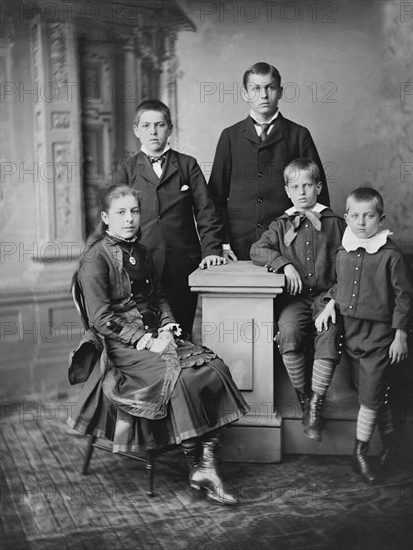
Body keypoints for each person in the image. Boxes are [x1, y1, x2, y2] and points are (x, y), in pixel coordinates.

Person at [67, 184, 249, 505]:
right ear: (107, 218)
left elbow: (159, 296)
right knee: (180, 378)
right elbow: (100, 318)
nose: (129, 219)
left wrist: (166, 324)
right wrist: (144, 339)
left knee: (215, 368)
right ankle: (199, 466)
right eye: (121, 213)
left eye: (134, 211)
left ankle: (204, 465)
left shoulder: (141, 250)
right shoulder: (95, 258)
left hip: (157, 336)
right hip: (123, 348)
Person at [315, 187, 413, 484]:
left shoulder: (390, 255)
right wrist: (330, 303)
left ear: (380, 219)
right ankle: (393, 446)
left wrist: (401, 335)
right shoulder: (343, 251)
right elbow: (341, 286)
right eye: (355, 216)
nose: (361, 223)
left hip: (380, 336)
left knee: (370, 399)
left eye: (368, 216)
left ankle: (359, 453)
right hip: (353, 335)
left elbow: (404, 298)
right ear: (346, 218)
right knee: (372, 394)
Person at [113, 99, 225, 336]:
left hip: (182, 263)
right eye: (146, 126)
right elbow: (113, 220)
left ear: (170, 128)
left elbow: (206, 211)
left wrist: (212, 251)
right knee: (147, 334)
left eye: (160, 125)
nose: (153, 132)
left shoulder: (187, 165)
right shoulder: (127, 170)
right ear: (136, 130)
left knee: (182, 331)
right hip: (140, 265)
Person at [250, 159, 345, 435]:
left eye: (307, 185)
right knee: (288, 330)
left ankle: (316, 402)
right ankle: (304, 398)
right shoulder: (280, 225)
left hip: (327, 299)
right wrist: (284, 263)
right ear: (287, 191)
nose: (302, 192)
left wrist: (334, 300)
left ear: (318, 187)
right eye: (295, 187)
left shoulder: (335, 223)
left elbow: (351, 267)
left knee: (330, 330)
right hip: (296, 301)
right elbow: (257, 250)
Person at [209, 61, 330, 261]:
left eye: (270, 87)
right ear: (245, 94)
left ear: (280, 92)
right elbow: (216, 198)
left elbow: (319, 194)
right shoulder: (230, 136)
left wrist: (314, 242)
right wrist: (223, 243)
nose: (264, 95)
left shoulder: (299, 135)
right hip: (239, 245)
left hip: (290, 241)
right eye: (255, 89)